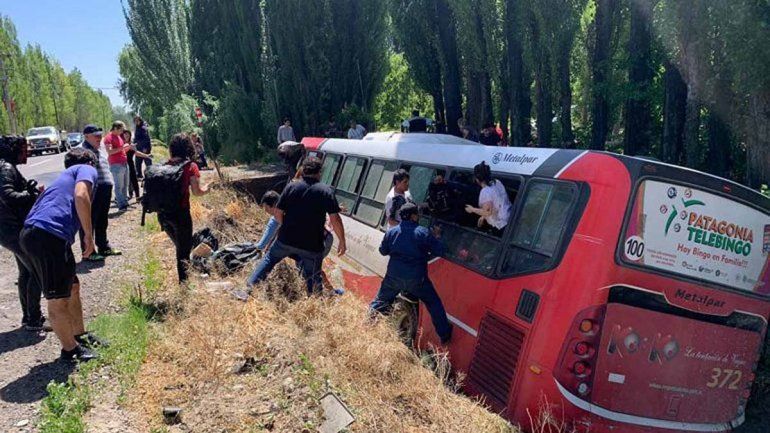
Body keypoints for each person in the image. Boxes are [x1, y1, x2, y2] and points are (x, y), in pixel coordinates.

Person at [20, 148, 107, 361]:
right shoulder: (86, 168)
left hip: (45, 235)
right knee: (58, 297)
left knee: (72, 287)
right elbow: (81, 195)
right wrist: (88, 235)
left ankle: (79, 335)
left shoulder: (65, 177)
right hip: (46, 236)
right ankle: (70, 350)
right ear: (90, 161)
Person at [237, 157, 346, 298]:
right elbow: (335, 219)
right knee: (313, 275)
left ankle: (247, 290)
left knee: (269, 259)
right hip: (312, 245)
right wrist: (342, 241)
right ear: (320, 172)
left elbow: (277, 213)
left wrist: (286, 227)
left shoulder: (291, 187)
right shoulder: (325, 191)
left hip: (286, 240)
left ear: (304, 171)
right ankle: (314, 305)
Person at [370, 203, 452, 344]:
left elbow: (383, 251)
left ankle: (368, 324)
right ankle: (445, 335)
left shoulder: (392, 232)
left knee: (380, 301)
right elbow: (441, 250)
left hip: (393, 277)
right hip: (417, 280)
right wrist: (437, 236)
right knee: (433, 302)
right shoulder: (423, 233)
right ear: (414, 216)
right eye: (417, 214)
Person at [0, 135, 48, 331]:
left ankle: (29, 317)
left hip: (9, 229)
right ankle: (33, 318)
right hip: (12, 230)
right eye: (23, 148)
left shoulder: (6, 166)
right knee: (36, 271)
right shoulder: (6, 168)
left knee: (26, 272)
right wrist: (32, 194)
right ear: (14, 149)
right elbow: (7, 195)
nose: (27, 151)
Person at [158, 133, 210, 282]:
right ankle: (185, 287)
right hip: (181, 215)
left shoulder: (163, 165)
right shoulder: (190, 166)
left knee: (181, 248)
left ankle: (191, 271)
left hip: (162, 215)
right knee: (182, 252)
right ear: (188, 148)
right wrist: (208, 189)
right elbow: (197, 192)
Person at [79, 124, 121, 260]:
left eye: (100, 135)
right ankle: (88, 252)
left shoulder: (98, 149)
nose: (99, 137)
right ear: (86, 136)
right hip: (94, 190)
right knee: (89, 221)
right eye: (95, 135)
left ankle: (103, 247)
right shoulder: (82, 151)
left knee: (102, 220)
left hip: (105, 188)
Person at [464, 161, 512, 236]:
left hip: (500, 225)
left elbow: (488, 212)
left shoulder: (485, 192)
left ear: (477, 179)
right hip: (510, 217)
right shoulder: (497, 182)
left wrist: (472, 209)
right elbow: (496, 203)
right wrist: (483, 217)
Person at [104, 121, 129, 211]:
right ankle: (121, 205)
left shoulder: (118, 137)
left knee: (125, 184)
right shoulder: (108, 138)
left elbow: (120, 150)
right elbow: (110, 152)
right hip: (116, 165)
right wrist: (122, 148)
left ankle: (125, 202)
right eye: (121, 129)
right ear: (115, 128)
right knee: (119, 186)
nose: (122, 132)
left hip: (124, 163)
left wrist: (127, 148)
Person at [122, 130, 141, 200]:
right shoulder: (121, 144)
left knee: (134, 180)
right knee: (123, 182)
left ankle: (137, 196)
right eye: (125, 134)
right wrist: (129, 147)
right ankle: (121, 197)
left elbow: (136, 153)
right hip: (122, 164)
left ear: (130, 135)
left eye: (128, 134)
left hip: (130, 163)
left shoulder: (132, 144)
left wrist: (147, 155)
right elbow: (121, 151)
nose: (126, 135)